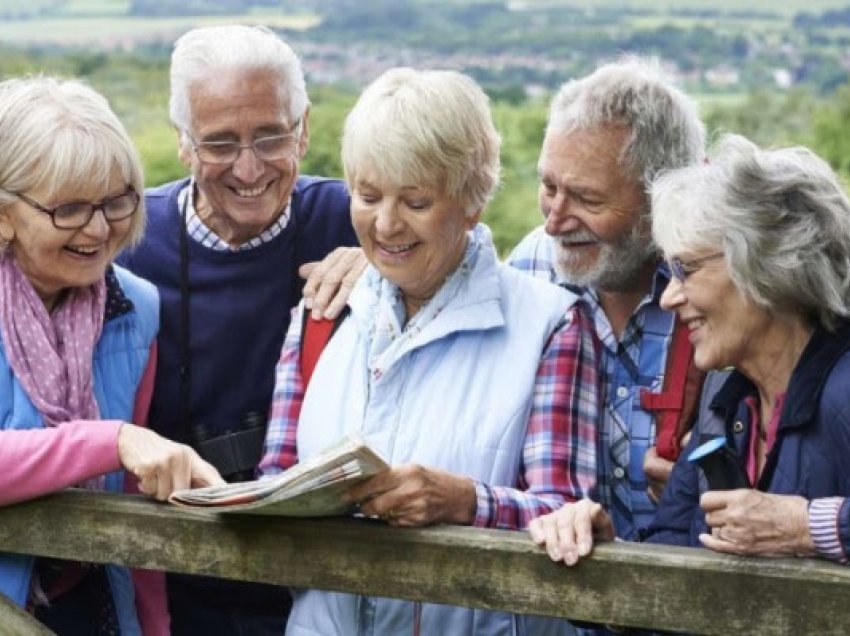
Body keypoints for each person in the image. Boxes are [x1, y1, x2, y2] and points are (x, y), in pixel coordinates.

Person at [259, 67, 599, 635]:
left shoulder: (550, 326)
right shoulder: (320, 316)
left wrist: (466, 502)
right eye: (367, 196)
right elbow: (276, 485)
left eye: (416, 201)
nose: (386, 224)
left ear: (472, 200)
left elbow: (567, 518)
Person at [117, 24, 359, 635]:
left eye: (271, 136)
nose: (248, 168)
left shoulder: (356, 220)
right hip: (174, 586)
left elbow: (466, 255)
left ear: (304, 129)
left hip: (330, 589)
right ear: (183, 144)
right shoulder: (128, 245)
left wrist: (383, 264)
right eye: (220, 143)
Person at [529, 134, 850, 568]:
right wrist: (600, 550)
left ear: (767, 263)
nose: (669, 297)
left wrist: (809, 525)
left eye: (688, 270)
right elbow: (670, 556)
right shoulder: (727, 403)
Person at [0, 76, 223, 635]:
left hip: (89, 601)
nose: (99, 229)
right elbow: (121, 448)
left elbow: (134, 499)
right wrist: (113, 440)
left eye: (116, 200)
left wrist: (150, 627)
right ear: (4, 214)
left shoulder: (136, 307)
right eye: (69, 208)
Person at [508, 57, 706, 542]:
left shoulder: (720, 290)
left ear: (663, 197)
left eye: (587, 200)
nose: (554, 221)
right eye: (548, 186)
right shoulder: (531, 265)